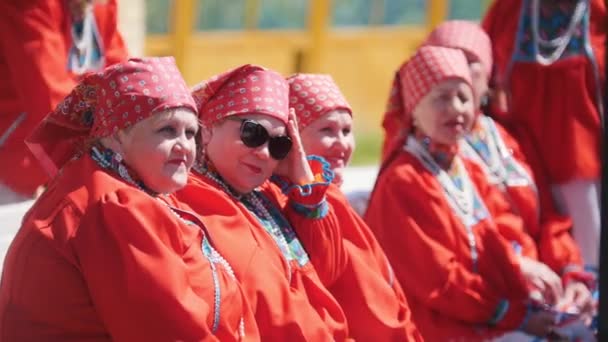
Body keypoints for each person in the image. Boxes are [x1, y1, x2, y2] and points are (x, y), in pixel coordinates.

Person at [0, 57, 258, 341]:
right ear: (116, 135)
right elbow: (166, 331)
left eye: (190, 133)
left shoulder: (115, 184)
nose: (184, 146)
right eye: (167, 130)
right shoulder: (112, 205)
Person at [365, 45, 560, 340]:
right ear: (414, 110)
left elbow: (497, 235)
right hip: (433, 325)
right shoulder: (403, 181)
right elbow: (437, 279)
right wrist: (512, 314)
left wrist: (523, 270)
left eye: (463, 97)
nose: (456, 108)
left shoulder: (462, 166)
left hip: (475, 312)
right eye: (441, 98)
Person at [422, 20, 595, 316]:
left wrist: (569, 271)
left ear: (489, 75)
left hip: (539, 291)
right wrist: (514, 290)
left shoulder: (509, 136)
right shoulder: (420, 158)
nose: (456, 69)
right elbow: (438, 258)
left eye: (469, 60)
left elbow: (549, 219)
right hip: (482, 304)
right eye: (445, 58)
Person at [176, 64, 350, 340]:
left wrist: (304, 183)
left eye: (280, 144)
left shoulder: (267, 196)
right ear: (206, 128)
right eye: (253, 134)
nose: (264, 153)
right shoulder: (190, 198)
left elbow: (329, 270)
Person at [287, 73, 422, 341]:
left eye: (347, 131)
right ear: (292, 137)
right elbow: (366, 304)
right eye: (327, 130)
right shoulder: (296, 205)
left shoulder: (333, 198)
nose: (342, 143)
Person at [483, 0, 606, 270]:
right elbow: (479, 76)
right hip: (521, 171)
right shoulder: (508, 11)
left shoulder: (599, 10)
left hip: (590, 172)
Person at [0, 0, 128, 203]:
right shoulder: (27, 5)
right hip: (12, 161)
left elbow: (122, 81)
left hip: (59, 155)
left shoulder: (102, 5)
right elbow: (52, 101)